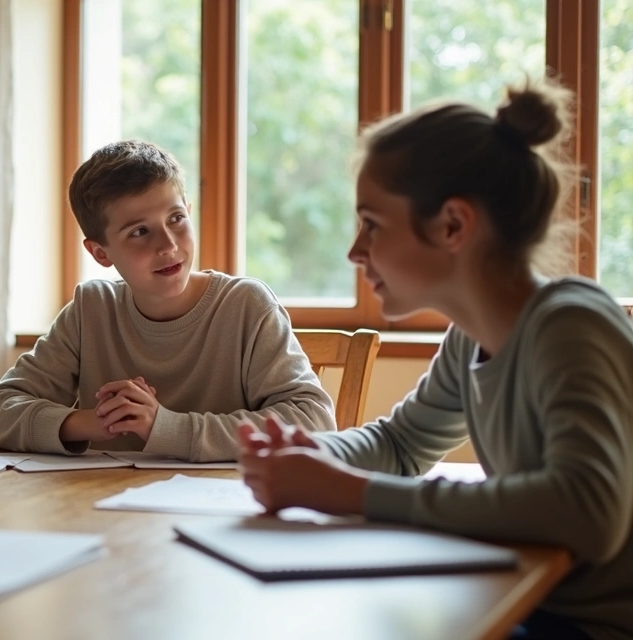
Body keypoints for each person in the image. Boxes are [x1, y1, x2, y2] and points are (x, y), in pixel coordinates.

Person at [236, 81, 633, 640]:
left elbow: (586, 513)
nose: (354, 251)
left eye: (372, 224)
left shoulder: (570, 326)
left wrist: (348, 492)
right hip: (533, 604)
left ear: (453, 225)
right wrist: (313, 454)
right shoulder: (470, 338)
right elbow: (402, 444)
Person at [0, 141, 335, 461]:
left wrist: (164, 427)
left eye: (176, 218)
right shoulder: (91, 310)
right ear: (101, 253)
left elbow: (314, 420)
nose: (168, 245)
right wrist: (89, 422)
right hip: (99, 504)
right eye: (140, 231)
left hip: (223, 505)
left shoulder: (247, 306)